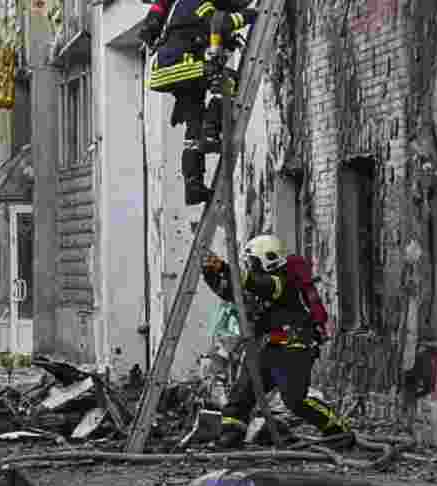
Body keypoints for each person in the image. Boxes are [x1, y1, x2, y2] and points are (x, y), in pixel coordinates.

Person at [202, 234, 352, 449]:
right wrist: (209, 272)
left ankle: (337, 430)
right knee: (242, 393)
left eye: (252, 261)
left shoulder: (282, 282)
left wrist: (225, 267)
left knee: (295, 400)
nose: (249, 265)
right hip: (267, 347)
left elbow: (257, 284)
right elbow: (231, 292)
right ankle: (231, 436)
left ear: (266, 260)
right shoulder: (258, 286)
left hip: (293, 347)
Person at [137, 0, 257, 206]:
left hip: (168, 71)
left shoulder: (178, 7)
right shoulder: (195, 2)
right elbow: (221, 23)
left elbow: (202, 29)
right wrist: (251, 15)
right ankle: (210, 133)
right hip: (179, 66)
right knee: (227, 82)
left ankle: (194, 186)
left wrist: (225, 40)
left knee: (194, 122)